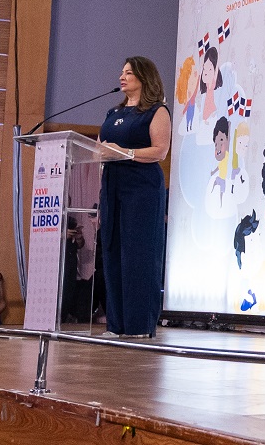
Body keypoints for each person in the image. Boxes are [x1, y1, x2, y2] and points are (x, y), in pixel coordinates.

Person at [96, 56, 171, 338]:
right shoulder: (112, 112)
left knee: (138, 255)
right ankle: (116, 325)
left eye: (128, 72)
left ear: (144, 77)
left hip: (142, 188)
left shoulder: (156, 111)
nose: (122, 76)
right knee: (113, 252)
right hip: (112, 185)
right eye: (122, 72)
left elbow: (160, 151)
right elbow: (98, 149)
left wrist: (125, 152)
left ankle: (139, 325)